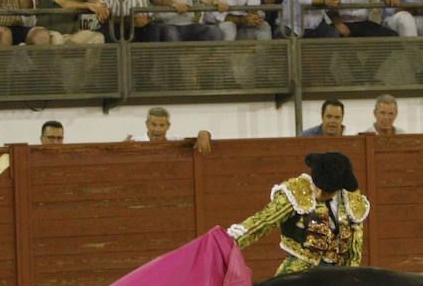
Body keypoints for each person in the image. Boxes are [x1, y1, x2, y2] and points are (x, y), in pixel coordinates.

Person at [226, 152, 370, 275]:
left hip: (335, 276)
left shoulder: (351, 201)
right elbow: (263, 222)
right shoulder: (297, 190)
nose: (319, 193)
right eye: (318, 187)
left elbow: (353, 250)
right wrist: (227, 242)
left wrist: (351, 278)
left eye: (327, 191)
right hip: (298, 273)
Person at [126, 106, 214, 153]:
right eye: (153, 125)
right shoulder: (135, 141)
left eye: (162, 125)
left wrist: (204, 133)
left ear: (168, 126)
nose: (157, 129)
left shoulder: (176, 140)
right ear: (147, 124)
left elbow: (197, 140)